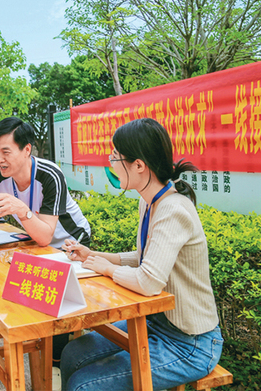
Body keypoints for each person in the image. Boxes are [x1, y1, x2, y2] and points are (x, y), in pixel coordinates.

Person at [59, 118, 223, 391]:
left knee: (83, 385)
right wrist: (93, 255)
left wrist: (106, 268)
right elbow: (145, 257)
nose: (111, 162)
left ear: (138, 165)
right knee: (73, 353)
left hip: (191, 343)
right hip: (155, 322)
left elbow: (149, 281)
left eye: (115, 156)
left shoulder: (173, 209)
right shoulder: (149, 202)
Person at [0, 116, 91, 249]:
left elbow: (45, 238)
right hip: (38, 243)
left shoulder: (50, 175)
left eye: (6, 152)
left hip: (72, 242)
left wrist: (21, 209)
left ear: (27, 150)